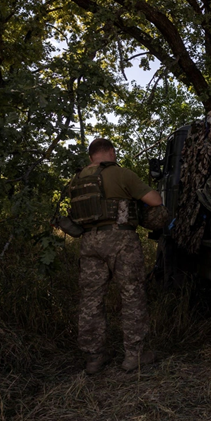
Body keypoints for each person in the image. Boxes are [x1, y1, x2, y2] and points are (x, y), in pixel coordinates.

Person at [68, 138, 163, 374]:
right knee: (132, 296)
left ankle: (94, 358)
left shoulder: (76, 180)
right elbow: (155, 201)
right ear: (111, 152)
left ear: (91, 156)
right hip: (121, 240)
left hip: (89, 242)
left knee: (91, 301)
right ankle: (134, 356)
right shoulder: (121, 174)